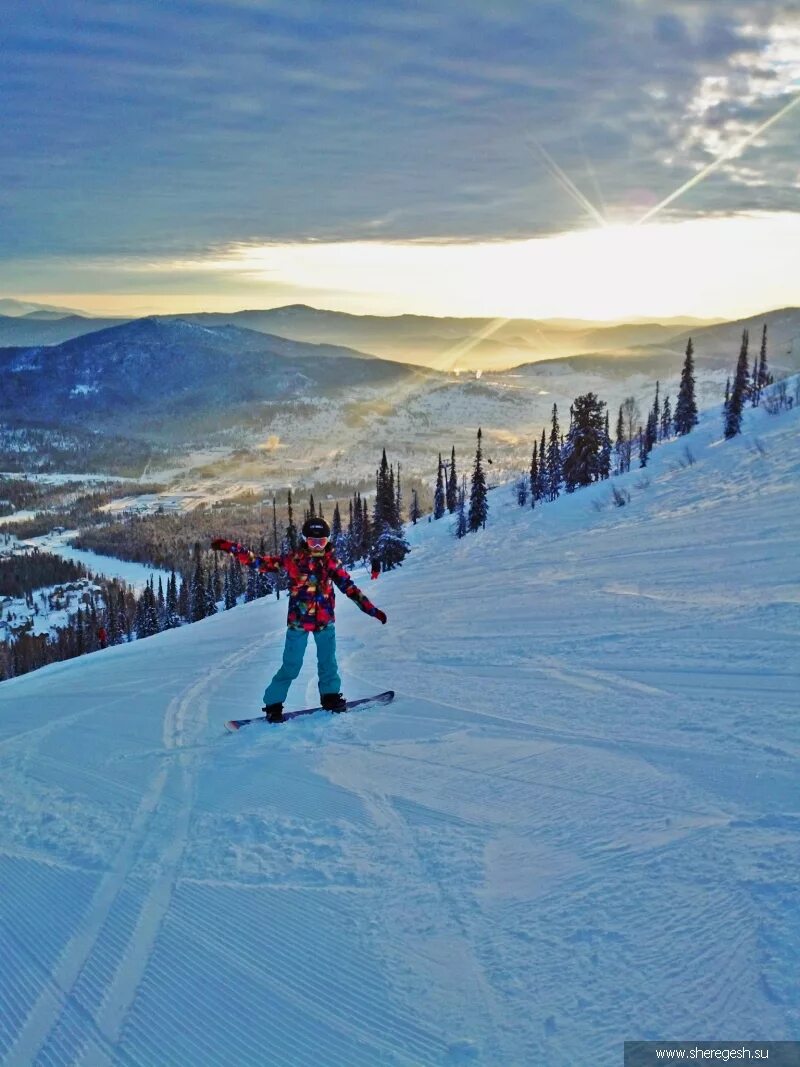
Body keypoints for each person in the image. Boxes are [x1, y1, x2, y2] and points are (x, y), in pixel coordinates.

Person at [212, 517, 387, 722]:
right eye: (312, 542)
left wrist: (372, 610)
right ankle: (273, 704)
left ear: (327, 540)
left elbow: (350, 588)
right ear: (305, 540)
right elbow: (259, 563)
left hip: (324, 623)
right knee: (291, 665)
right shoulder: (294, 560)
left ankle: (330, 696)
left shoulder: (331, 563)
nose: (317, 546)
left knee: (328, 663)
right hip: (298, 624)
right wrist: (231, 548)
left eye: (321, 541)